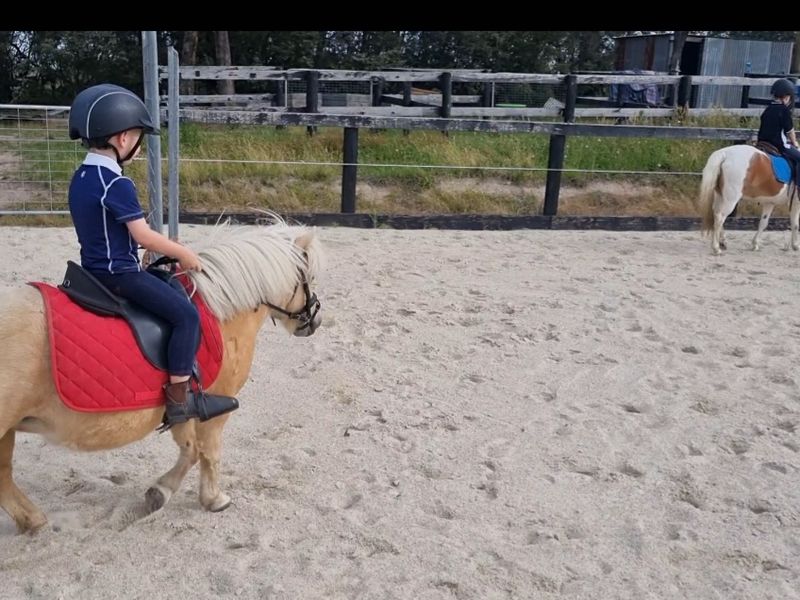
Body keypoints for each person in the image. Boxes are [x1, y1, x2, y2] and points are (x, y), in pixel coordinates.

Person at [67, 83, 237, 427]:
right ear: (123, 139)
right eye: (138, 137)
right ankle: (180, 399)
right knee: (186, 315)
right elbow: (142, 235)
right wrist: (183, 253)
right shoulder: (116, 183)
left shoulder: (81, 177)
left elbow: (106, 230)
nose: (139, 146)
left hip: (91, 272)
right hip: (120, 276)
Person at [757, 78, 800, 184]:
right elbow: (790, 131)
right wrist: (795, 143)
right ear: (786, 97)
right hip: (778, 145)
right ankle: (798, 186)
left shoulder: (768, 109)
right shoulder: (784, 110)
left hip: (762, 143)